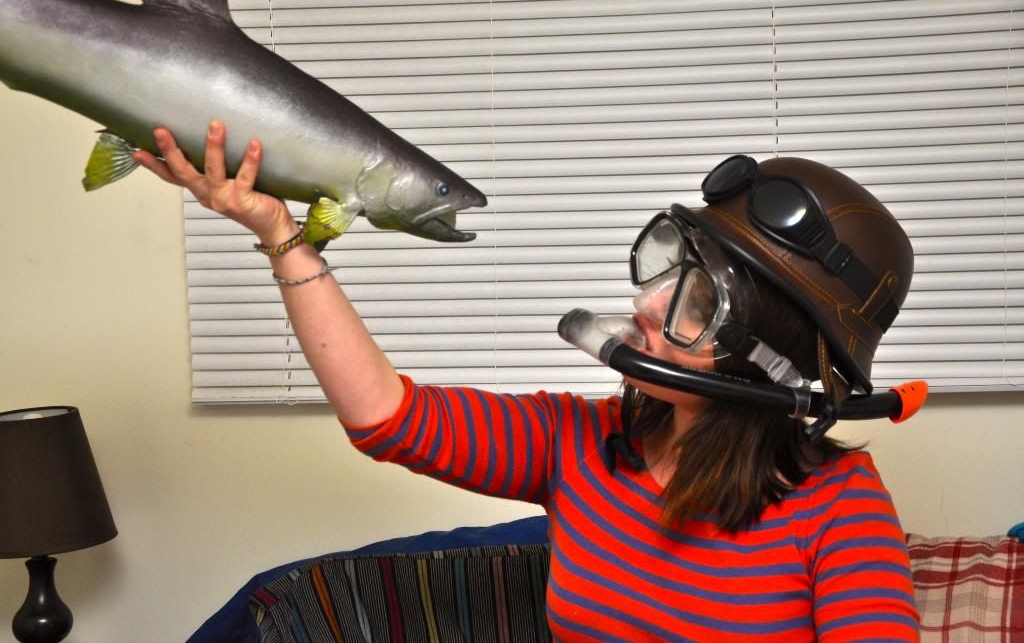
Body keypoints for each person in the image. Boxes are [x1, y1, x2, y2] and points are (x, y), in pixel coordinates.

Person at [135, 121, 921, 641]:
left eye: (696, 299)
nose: (647, 304)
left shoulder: (840, 508)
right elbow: (385, 416)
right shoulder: (580, 444)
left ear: (769, 356)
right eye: (667, 267)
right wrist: (283, 235)